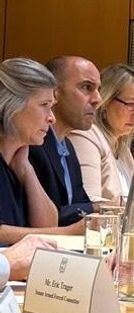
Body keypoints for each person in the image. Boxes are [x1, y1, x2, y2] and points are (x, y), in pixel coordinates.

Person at [0, 57, 83, 245]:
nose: (52, 118)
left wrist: (26, 170)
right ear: (13, 105)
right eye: (44, 105)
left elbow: (47, 224)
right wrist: (68, 233)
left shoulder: (19, 159)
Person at [29, 56, 101, 225]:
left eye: (98, 89)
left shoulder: (67, 145)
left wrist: (99, 208)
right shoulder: (32, 143)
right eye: (87, 87)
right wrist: (99, 208)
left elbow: (80, 204)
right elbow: (38, 218)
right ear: (54, 93)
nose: (98, 99)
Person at [68, 64, 134, 205]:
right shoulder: (85, 136)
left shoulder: (122, 148)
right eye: (131, 104)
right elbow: (89, 203)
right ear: (105, 101)